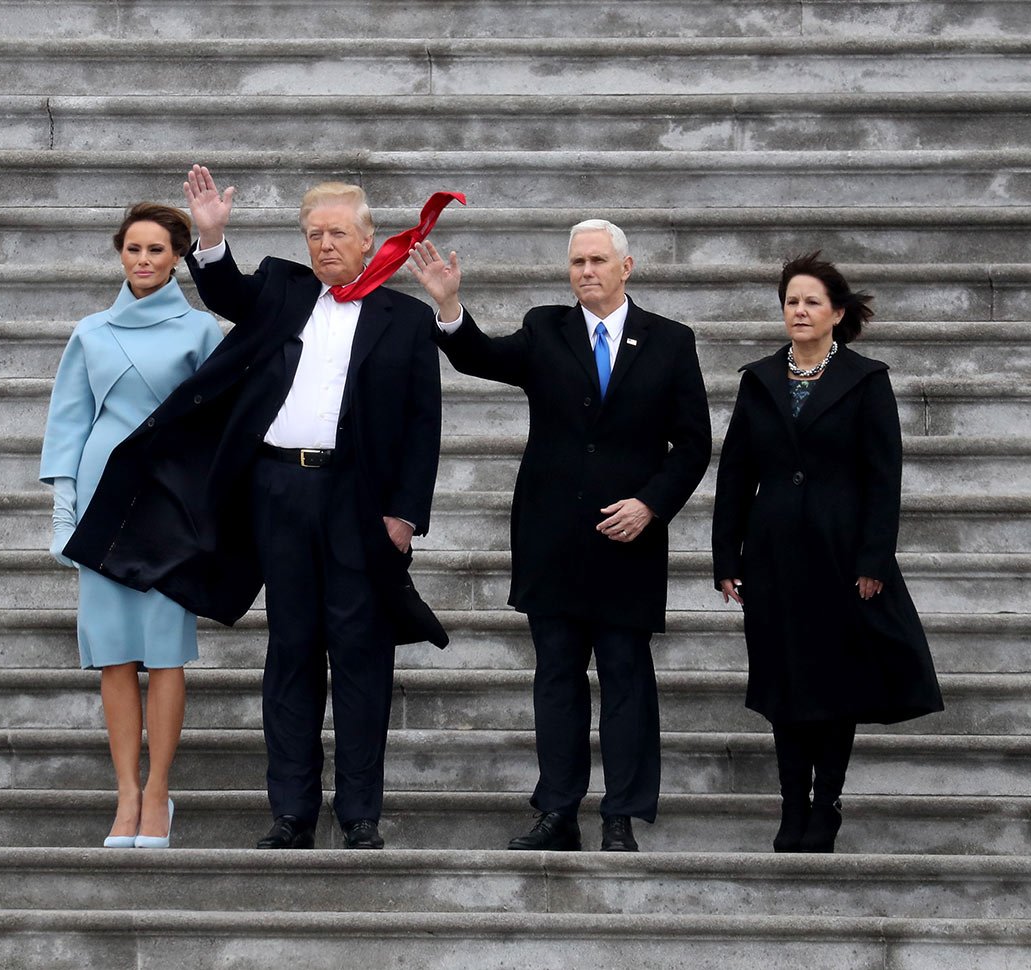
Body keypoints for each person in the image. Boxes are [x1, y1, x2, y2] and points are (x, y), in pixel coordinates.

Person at [65, 166, 446, 851]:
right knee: (291, 652)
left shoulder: (408, 318)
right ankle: (292, 812)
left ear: (367, 241)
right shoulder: (282, 289)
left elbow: (424, 424)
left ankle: (359, 813)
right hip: (278, 491)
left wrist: (407, 513)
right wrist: (210, 237)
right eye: (314, 233)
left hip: (358, 499)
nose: (325, 244)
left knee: (361, 656)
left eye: (337, 233)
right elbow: (226, 289)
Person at [409, 220, 712, 852]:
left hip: (628, 538)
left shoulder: (670, 341)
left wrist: (651, 506)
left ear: (626, 267)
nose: (586, 272)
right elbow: (481, 357)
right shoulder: (547, 327)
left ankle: (621, 814)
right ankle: (558, 811)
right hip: (553, 535)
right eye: (577, 262)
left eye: (598, 260)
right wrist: (447, 305)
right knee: (557, 678)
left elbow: (692, 446)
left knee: (627, 678)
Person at [711, 251, 944, 853]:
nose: (800, 310)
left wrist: (873, 560)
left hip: (841, 559)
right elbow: (734, 474)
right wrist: (726, 558)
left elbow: (882, 477)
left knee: (835, 685)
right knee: (785, 685)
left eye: (813, 301)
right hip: (773, 557)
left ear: (837, 313)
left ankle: (826, 804)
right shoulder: (758, 379)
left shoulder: (866, 379)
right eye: (792, 301)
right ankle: (792, 806)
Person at [41, 202, 223, 849]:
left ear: (178, 257)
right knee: (113, 653)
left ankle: (157, 794)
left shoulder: (202, 332)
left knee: (166, 652)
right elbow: (70, 419)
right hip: (103, 499)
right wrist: (64, 504)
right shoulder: (90, 332)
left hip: (170, 503)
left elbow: (220, 422)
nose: (143, 261)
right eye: (133, 250)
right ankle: (124, 794)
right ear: (120, 254)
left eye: (156, 250)